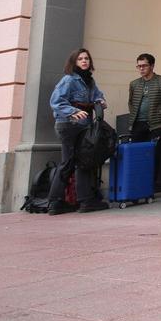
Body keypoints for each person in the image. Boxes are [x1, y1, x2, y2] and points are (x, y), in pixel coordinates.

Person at [47, 48, 110, 215]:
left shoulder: (90, 81)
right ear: (74, 62)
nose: (84, 61)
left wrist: (100, 101)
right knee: (68, 163)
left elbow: (97, 95)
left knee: (83, 161)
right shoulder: (69, 80)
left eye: (87, 58)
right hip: (68, 124)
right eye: (80, 59)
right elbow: (56, 101)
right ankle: (55, 202)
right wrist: (72, 111)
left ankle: (84, 201)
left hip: (83, 126)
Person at [128, 53, 161, 188]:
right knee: (137, 155)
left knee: (153, 155)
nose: (141, 69)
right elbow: (131, 103)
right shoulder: (134, 84)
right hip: (138, 124)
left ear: (152, 66)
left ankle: (151, 185)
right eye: (138, 66)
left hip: (157, 124)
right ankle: (138, 185)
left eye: (144, 65)